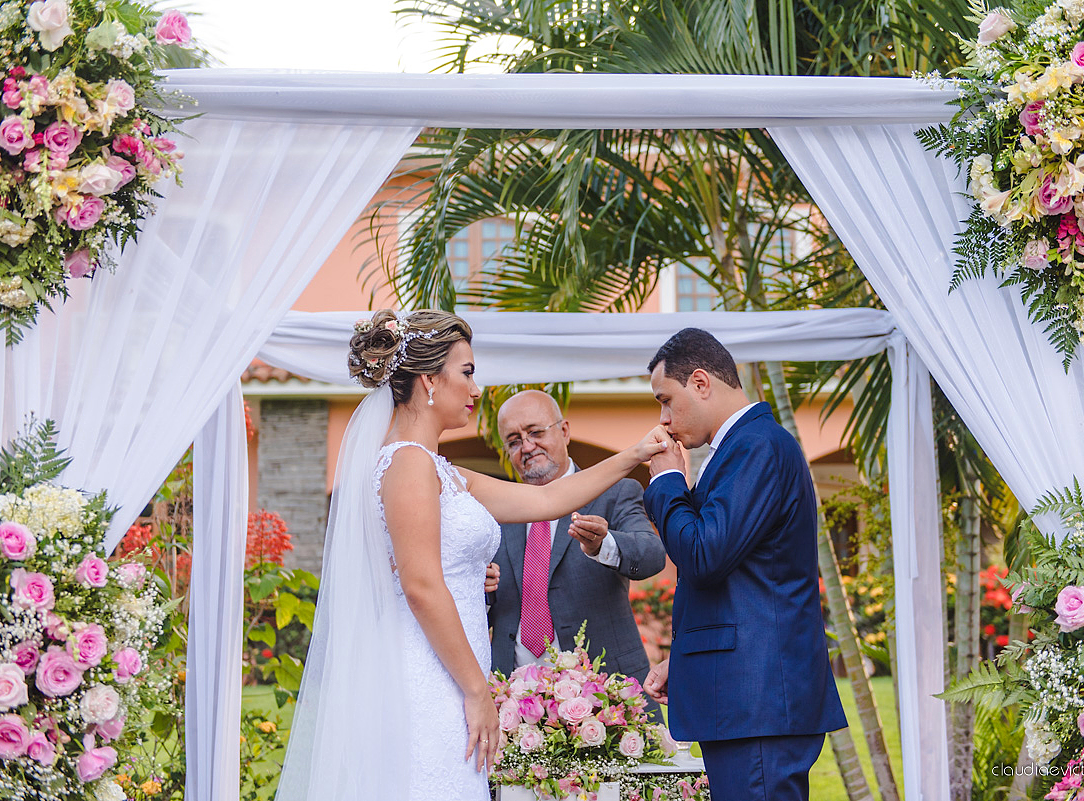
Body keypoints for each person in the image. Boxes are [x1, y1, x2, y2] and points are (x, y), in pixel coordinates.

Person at [275, 309, 668, 801]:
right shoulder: (407, 465)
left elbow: (547, 500)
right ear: (428, 380)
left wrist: (634, 454)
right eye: (467, 372)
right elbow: (421, 587)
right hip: (430, 675)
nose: (477, 388)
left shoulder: (443, 472)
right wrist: (478, 691)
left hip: (454, 672)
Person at [640, 328, 847, 801]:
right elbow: (742, 576)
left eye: (666, 400)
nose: (664, 418)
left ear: (700, 381)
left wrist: (669, 480)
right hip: (748, 696)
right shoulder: (741, 448)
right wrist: (690, 658)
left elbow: (703, 556)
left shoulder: (757, 446)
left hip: (757, 703)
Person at [488, 390, 667, 716]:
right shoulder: (495, 514)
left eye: (536, 432)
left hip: (605, 701)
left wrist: (604, 545)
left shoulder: (614, 492)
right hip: (515, 705)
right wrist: (479, 591)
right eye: (514, 441)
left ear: (565, 430)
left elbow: (652, 556)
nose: (527, 447)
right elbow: (478, 608)